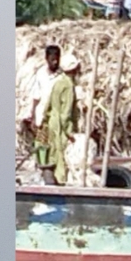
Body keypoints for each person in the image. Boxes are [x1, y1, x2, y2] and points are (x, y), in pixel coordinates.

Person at [43, 54, 81, 185]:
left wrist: (46, 120)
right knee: (61, 155)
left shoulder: (58, 82)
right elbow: (66, 113)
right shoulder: (68, 86)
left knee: (53, 153)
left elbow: (48, 105)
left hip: (52, 122)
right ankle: (61, 182)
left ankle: (52, 180)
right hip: (60, 124)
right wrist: (69, 132)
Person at [27, 45, 62, 179]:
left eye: (57, 60)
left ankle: (53, 172)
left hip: (55, 116)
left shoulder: (61, 76)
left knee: (54, 145)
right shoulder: (41, 74)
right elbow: (36, 95)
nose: (55, 62)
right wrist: (33, 115)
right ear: (46, 59)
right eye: (52, 60)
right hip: (42, 114)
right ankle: (41, 169)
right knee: (41, 143)